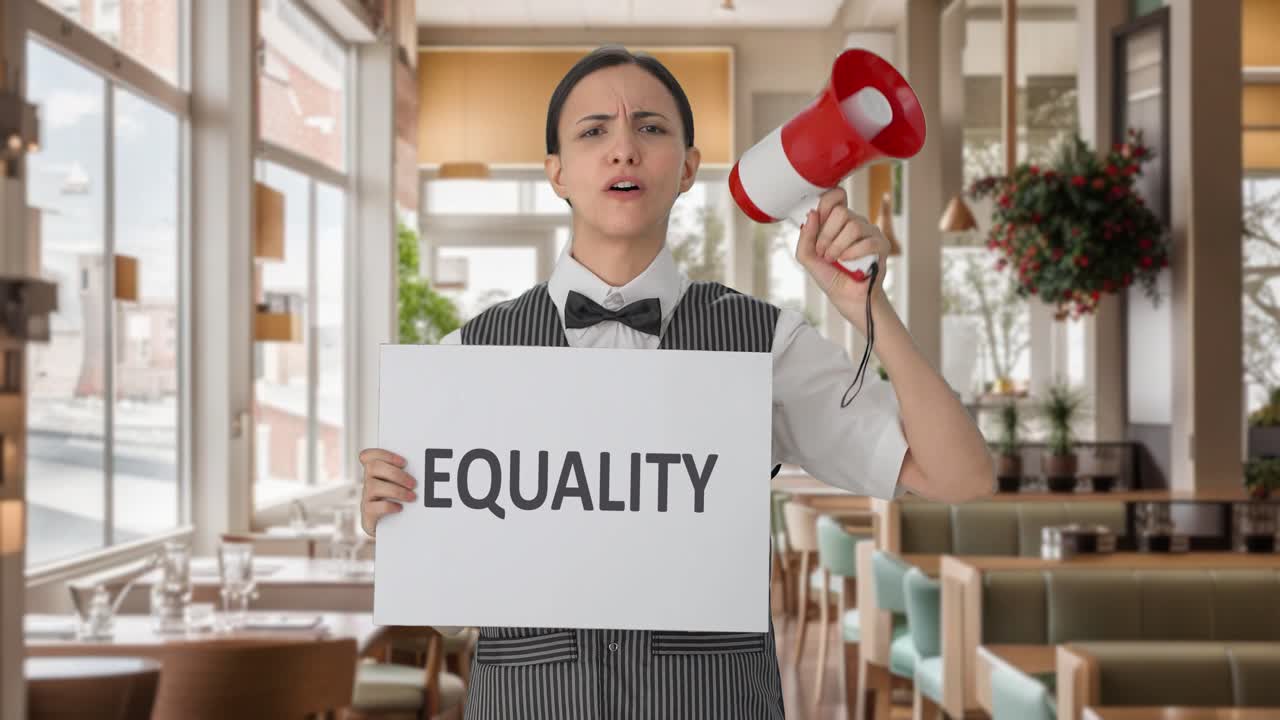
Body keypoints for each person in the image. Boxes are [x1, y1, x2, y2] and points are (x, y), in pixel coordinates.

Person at [359, 45, 993, 719]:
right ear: (557, 173)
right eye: (594, 131)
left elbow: (960, 476)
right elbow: (450, 612)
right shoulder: (470, 358)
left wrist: (868, 309)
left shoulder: (765, 345)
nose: (623, 150)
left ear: (688, 168)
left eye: (650, 127)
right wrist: (394, 520)